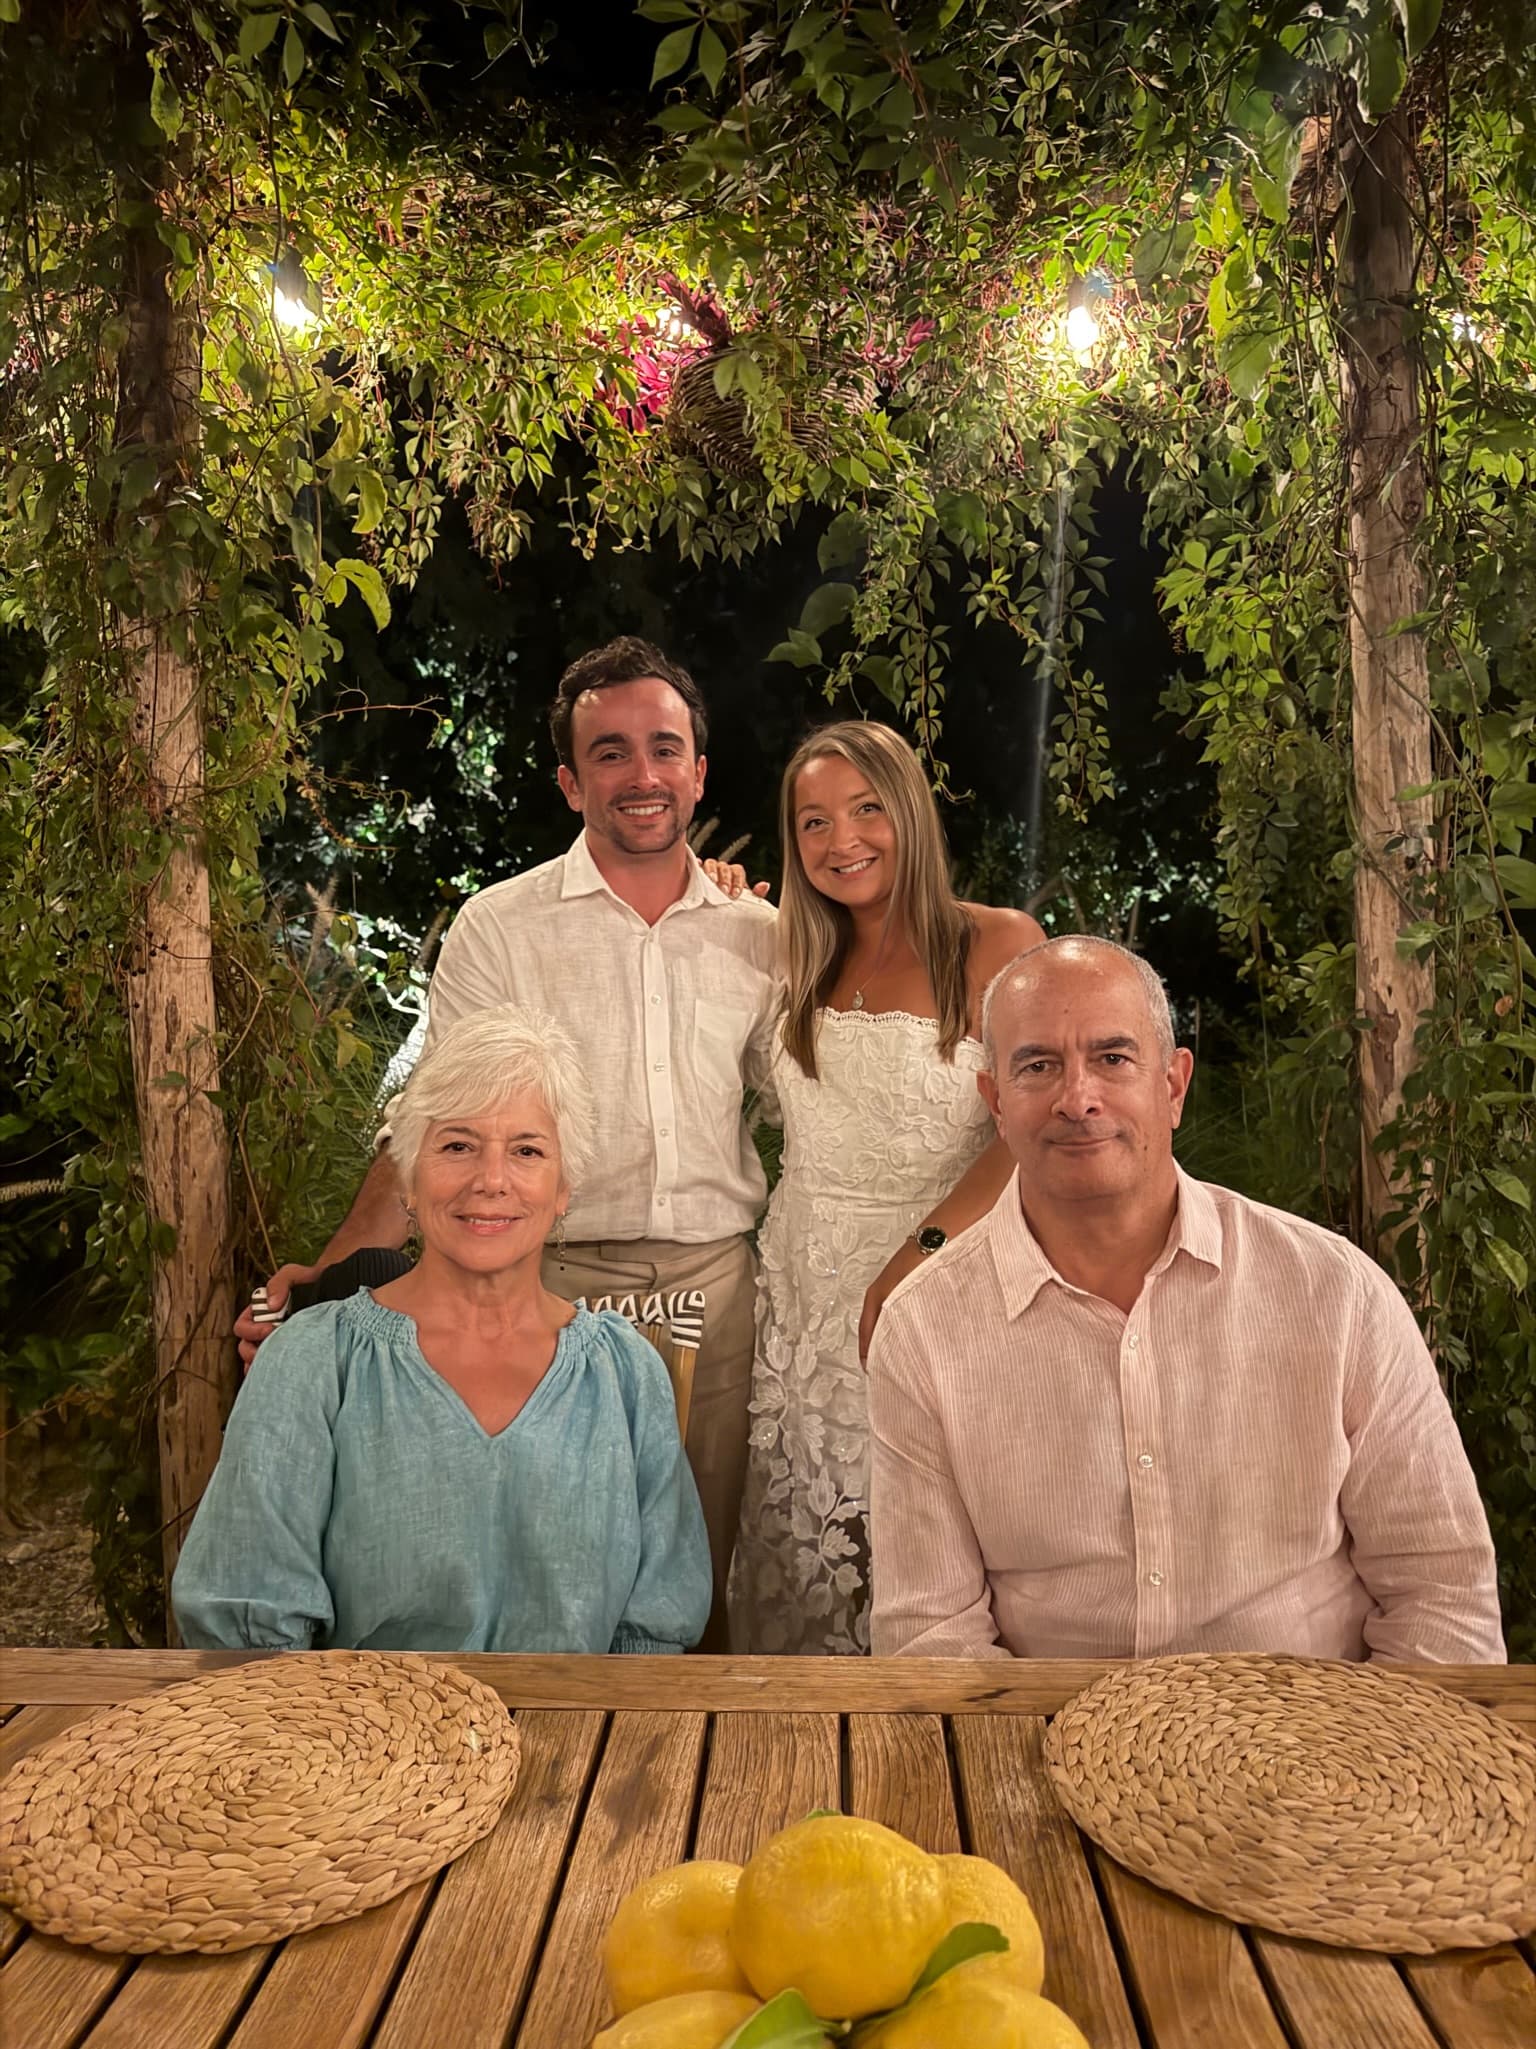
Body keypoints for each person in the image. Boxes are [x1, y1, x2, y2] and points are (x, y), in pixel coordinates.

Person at [233, 637, 778, 1650]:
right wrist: (344, 1271)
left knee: (684, 1572)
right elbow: (434, 1119)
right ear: (572, 780)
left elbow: (825, 1105)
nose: (643, 774)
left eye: (666, 748)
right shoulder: (503, 928)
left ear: (700, 769)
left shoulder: (763, 936)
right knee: (535, 1555)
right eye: (609, 752)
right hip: (546, 1281)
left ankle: (672, 1785)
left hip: (713, 1292)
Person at [867, 935, 1505, 1664]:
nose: (1078, 1098)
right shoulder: (925, 1330)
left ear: (1172, 1086)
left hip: (1318, 1748)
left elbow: (1442, 1591)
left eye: (1113, 1058)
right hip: (1040, 1748)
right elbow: (931, 1635)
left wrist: (1365, 1770)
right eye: (1039, 1065)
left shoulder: (1334, 1295)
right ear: (996, 1103)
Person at [175, 1007, 712, 1653]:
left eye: (527, 1150)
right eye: (457, 1145)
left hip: (588, 1740)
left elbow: (655, 1625)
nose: (491, 1180)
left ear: (564, 1185)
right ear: (407, 1174)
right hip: (357, 1743)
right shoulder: (315, 1361)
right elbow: (251, 1630)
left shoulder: (627, 1373)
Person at [729, 722, 1044, 1654]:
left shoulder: (995, 942)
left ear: (909, 811)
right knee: (795, 1542)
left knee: (925, 1542)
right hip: (798, 1296)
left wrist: (921, 1257)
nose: (842, 840)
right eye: (814, 821)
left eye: (867, 809)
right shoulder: (788, 952)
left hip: (940, 1276)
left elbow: (1028, 1127)